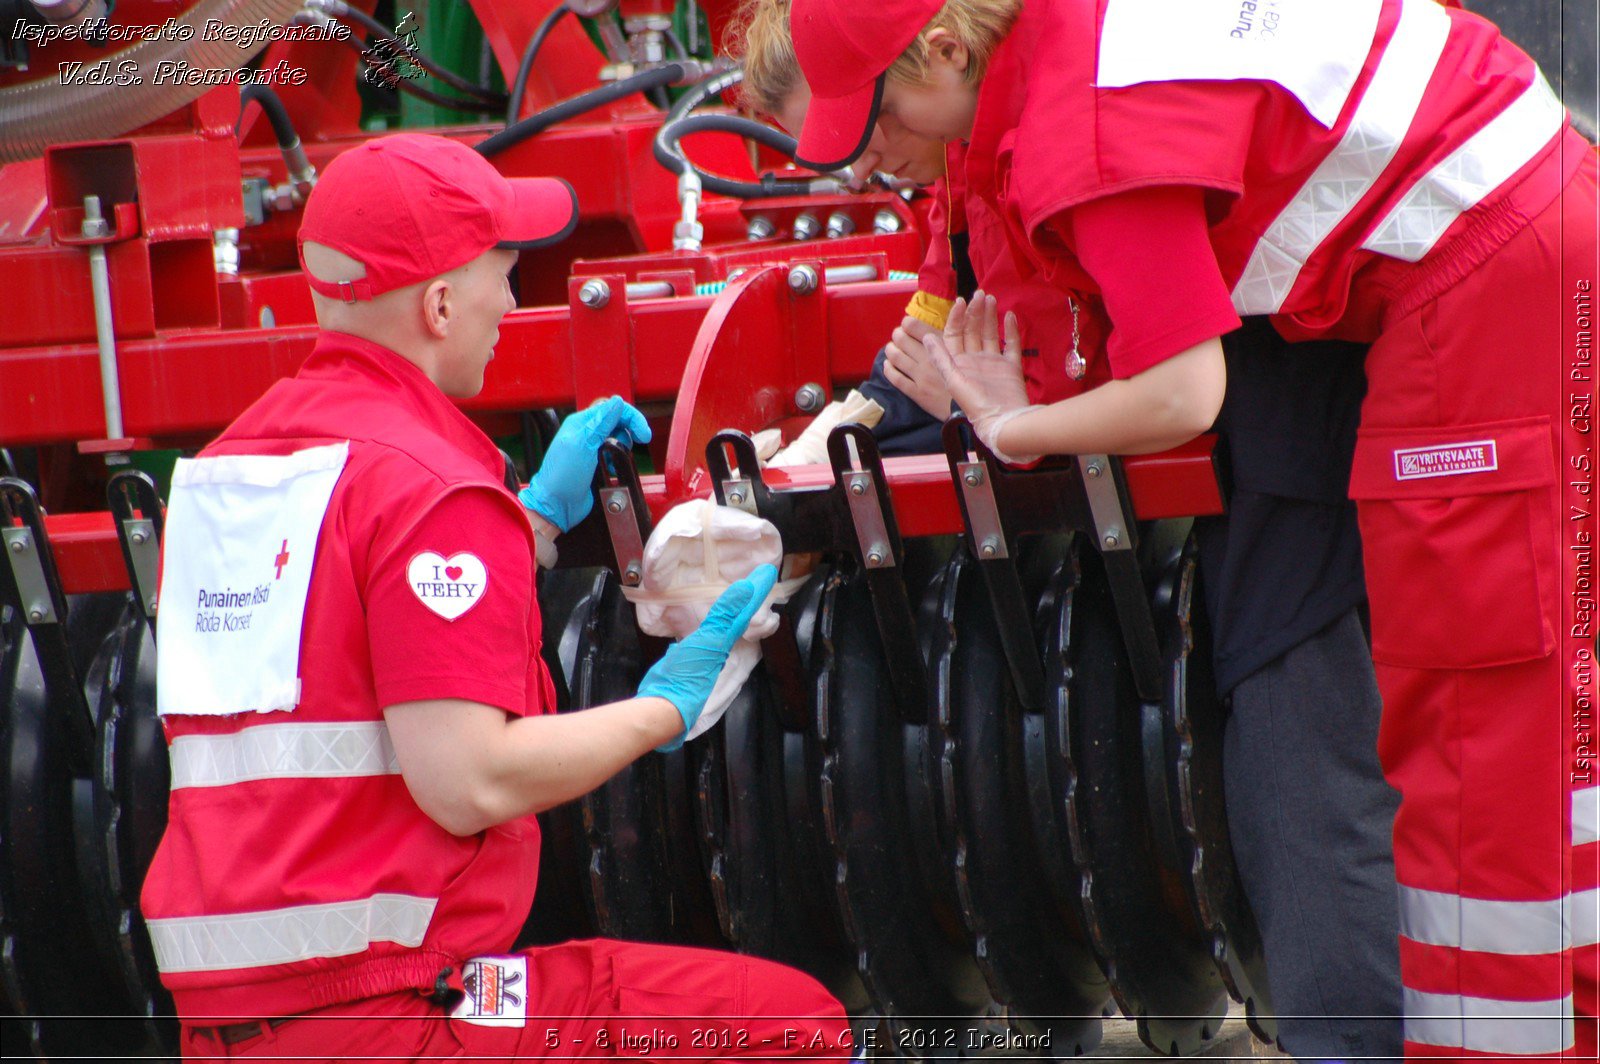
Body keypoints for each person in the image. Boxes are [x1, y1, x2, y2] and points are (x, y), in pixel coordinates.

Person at [761, 0, 1600, 1057]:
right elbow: (974, 278)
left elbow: (1180, 391)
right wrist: (837, 437)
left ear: (940, 50)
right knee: (1507, 707)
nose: (870, 163)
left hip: (1489, 273)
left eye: (871, 127)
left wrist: (1008, 420)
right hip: (1495, 232)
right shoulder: (1035, 65)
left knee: (1477, 709)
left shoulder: (1084, 136)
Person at [138, 132, 850, 1062]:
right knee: (790, 1025)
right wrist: (660, 710)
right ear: (438, 304)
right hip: (404, 1014)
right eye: (504, 276)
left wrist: (525, 528)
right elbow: (470, 779)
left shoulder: (232, 472)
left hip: (235, 1027)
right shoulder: (431, 486)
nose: (513, 304)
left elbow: (341, 625)